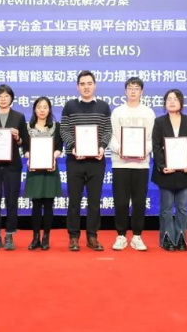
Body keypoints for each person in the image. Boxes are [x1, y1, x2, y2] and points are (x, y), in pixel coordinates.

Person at [61, 70, 112, 252]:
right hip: (74, 160)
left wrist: (102, 147)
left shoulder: (103, 106)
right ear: (77, 87)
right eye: (82, 84)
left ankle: (92, 237)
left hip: (96, 161)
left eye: (89, 83)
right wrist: (74, 146)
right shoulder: (69, 106)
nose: (86, 87)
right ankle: (74, 237)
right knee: (74, 201)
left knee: (94, 201)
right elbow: (64, 130)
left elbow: (108, 130)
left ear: (95, 85)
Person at [107, 77, 155, 252]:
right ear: (125, 91)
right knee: (120, 201)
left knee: (139, 202)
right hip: (120, 163)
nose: (133, 91)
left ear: (142, 91)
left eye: (136, 88)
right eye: (130, 88)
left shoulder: (148, 113)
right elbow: (111, 136)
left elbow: (152, 138)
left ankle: (136, 236)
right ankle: (121, 235)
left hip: (141, 165)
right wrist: (119, 149)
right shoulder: (117, 112)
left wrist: (144, 151)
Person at [0, 84, 29, 251]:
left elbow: (24, 141)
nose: (3, 99)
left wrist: (17, 138)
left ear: (11, 98)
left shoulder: (19, 117)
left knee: (11, 200)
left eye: (6, 96)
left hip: (12, 166)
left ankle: (9, 235)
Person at [151, 89, 187, 251]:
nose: (172, 101)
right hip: (166, 172)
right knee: (166, 208)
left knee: (182, 208)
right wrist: (162, 166)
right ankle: (167, 238)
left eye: (175, 99)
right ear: (165, 103)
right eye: (169, 99)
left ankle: (181, 238)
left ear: (181, 102)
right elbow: (156, 146)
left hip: (184, 171)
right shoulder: (159, 122)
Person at [23, 96, 63, 251]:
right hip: (34, 170)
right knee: (36, 204)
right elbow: (25, 149)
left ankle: (46, 237)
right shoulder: (27, 127)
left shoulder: (56, 127)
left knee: (48, 205)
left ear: (49, 109)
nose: (42, 110)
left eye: (45, 107)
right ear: (34, 109)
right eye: (39, 107)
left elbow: (59, 148)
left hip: (50, 169)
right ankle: (35, 238)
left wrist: (52, 157)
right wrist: (30, 158)